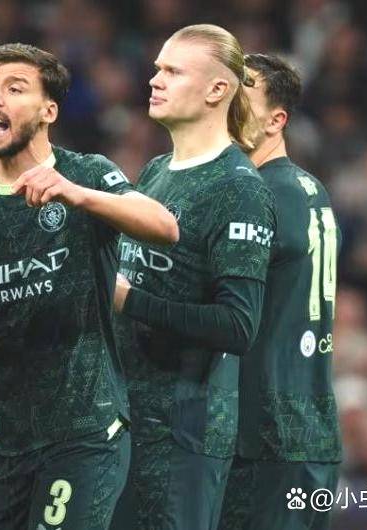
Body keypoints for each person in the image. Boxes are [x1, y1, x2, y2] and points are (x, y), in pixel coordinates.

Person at [0, 43, 178, 530]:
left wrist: (77, 195)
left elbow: (163, 225)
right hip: (1, 441)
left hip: (83, 432)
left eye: (15, 88)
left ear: (48, 111)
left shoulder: (85, 174)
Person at [109, 25, 275, 530]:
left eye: (172, 71)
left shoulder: (239, 189)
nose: (154, 79)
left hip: (183, 434)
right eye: (157, 68)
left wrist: (128, 300)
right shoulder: (156, 171)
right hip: (125, 421)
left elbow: (238, 326)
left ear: (217, 90)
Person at [217, 53, 342, 530]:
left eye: (241, 97)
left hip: (267, 435)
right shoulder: (309, 189)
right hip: (309, 429)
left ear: (276, 120)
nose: (226, 108)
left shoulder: (262, 193)